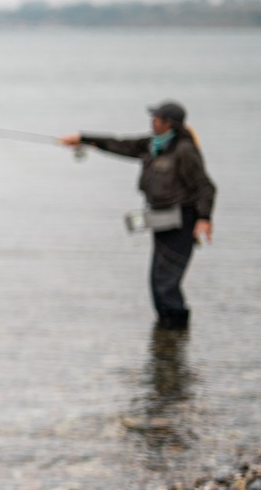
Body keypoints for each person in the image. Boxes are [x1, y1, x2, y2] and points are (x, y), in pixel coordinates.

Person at [60, 100, 217, 331]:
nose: (152, 121)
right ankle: (166, 339)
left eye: (157, 118)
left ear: (169, 123)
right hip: (161, 219)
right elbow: (119, 144)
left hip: (182, 221)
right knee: (157, 281)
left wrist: (204, 219)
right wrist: (83, 138)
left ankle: (176, 331)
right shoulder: (151, 145)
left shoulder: (184, 149)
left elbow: (206, 187)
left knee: (166, 281)